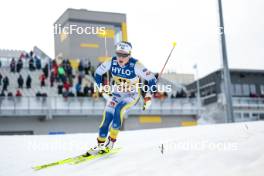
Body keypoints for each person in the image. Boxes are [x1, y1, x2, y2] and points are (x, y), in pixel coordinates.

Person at [87, 41, 157, 155]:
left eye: (124, 55)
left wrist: (149, 95)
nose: (121, 57)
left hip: (131, 95)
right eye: (119, 54)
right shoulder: (111, 61)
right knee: (106, 119)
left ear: (129, 55)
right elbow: (98, 73)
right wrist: (101, 86)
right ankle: (99, 145)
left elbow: (152, 79)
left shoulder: (136, 65)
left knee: (119, 110)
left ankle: (111, 142)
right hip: (117, 93)